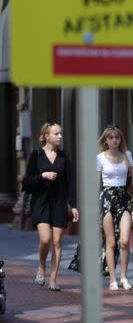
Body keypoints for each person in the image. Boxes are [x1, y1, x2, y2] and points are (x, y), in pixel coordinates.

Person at [22, 122, 80, 291]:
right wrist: (43, 175)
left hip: (59, 202)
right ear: (46, 136)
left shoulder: (64, 156)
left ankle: (53, 279)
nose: (60, 136)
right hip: (40, 202)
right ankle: (41, 266)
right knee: (45, 239)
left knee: (57, 242)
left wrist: (73, 205)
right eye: (56, 133)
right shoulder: (36, 155)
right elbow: (27, 180)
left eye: (61, 133)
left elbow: (70, 183)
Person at [96, 125, 133, 291]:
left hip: (124, 197)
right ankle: (112, 279)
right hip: (106, 198)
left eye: (117, 137)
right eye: (110, 138)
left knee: (124, 241)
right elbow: (96, 183)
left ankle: (124, 276)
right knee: (111, 242)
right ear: (105, 141)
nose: (114, 140)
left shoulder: (127, 155)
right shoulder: (100, 158)